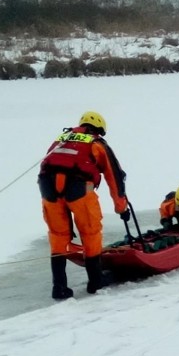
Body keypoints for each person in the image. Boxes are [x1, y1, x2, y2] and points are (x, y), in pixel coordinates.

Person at [38, 110, 129, 300]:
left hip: (48, 191)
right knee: (90, 232)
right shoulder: (97, 144)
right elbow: (115, 176)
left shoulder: (61, 139)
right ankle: (95, 281)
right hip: (78, 191)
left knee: (58, 236)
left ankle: (59, 287)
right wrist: (122, 207)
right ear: (99, 129)